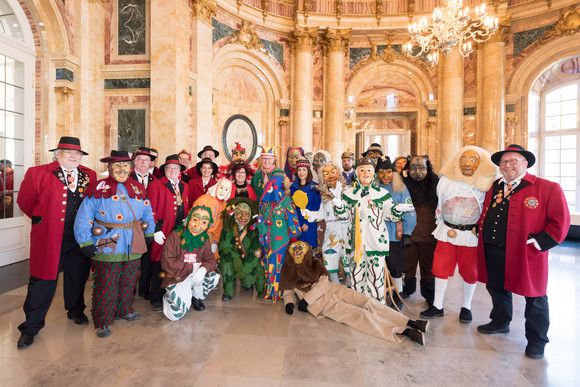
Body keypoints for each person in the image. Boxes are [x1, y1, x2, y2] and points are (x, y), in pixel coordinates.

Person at [476, 144, 570, 359]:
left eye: (513, 161)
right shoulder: (494, 186)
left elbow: (560, 221)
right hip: (493, 248)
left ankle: (537, 341)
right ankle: (500, 321)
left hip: (527, 253)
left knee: (534, 295)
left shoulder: (548, 187)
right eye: (503, 162)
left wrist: (540, 243)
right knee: (496, 287)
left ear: (525, 163)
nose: (507, 165)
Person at [15, 137, 97, 349]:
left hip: (79, 237)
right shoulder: (38, 173)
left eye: (77, 153)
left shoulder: (90, 175)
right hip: (49, 237)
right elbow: (24, 201)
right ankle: (30, 327)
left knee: (78, 276)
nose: (74, 156)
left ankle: (76, 310)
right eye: (68, 152)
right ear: (57, 154)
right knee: (42, 281)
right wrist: (43, 220)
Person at [280, 241, 429, 345]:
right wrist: (290, 304)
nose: (298, 253)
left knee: (368, 302)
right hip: (323, 304)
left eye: (301, 251)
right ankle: (404, 332)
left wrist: (306, 300)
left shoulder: (315, 263)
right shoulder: (289, 271)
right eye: (295, 252)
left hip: (335, 290)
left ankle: (411, 322)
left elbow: (324, 281)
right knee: (360, 315)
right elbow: (288, 291)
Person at [74, 150, 155, 338]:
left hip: (133, 241)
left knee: (129, 280)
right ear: (109, 167)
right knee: (106, 282)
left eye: (125, 165)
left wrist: (149, 231)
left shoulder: (137, 188)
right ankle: (103, 320)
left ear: (131, 168)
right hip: (107, 242)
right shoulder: (97, 188)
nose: (122, 169)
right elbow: (84, 216)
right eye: (117, 165)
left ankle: (124, 309)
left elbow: (148, 210)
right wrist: (85, 241)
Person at [420, 147, 496, 322]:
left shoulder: (486, 183)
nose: (467, 163)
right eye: (463, 159)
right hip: (447, 232)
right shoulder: (446, 180)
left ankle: (466, 306)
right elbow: (440, 202)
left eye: (472, 159)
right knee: (440, 268)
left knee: (470, 272)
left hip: (470, 234)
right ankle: (437, 305)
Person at [334, 157, 414, 302]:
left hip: (376, 243)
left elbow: (390, 215)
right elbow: (343, 214)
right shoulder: (348, 194)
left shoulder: (382, 195)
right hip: (354, 245)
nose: (365, 173)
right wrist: (338, 205)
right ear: (357, 173)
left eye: (369, 170)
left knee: (376, 277)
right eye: (362, 170)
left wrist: (397, 209)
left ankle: (376, 307)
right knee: (355, 276)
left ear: (373, 174)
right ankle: (358, 306)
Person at [147, 154, 191, 311]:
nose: (173, 170)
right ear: (165, 170)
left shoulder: (185, 186)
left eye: (176, 168)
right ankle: (155, 297)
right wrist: (156, 230)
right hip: (163, 230)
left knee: (177, 261)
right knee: (159, 263)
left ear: (180, 170)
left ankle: (172, 293)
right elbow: (150, 210)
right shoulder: (155, 185)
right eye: (170, 168)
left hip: (179, 232)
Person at [160, 206, 220, 319]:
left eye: (204, 222)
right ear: (188, 219)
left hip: (195, 276)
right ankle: (169, 296)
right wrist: (192, 268)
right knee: (175, 315)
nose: (197, 226)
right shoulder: (175, 236)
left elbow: (210, 259)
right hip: (178, 277)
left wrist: (203, 269)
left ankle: (196, 296)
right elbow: (167, 262)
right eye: (195, 220)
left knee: (213, 277)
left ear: (208, 225)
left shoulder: (205, 238)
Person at [376, 156, 417, 309]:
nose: (385, 176)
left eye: (388, 172)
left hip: (393, 234)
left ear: (393, 173)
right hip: (376, 234)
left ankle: (398, 294)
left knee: (395, 267)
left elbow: (410, 210)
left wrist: (407, 232)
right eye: (381, 172)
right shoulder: (373, 189)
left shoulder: (400, 188)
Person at [301, 161, 350, 284]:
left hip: (346, 231)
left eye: (333, 172)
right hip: (331, 232)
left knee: (349, 261)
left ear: (339, 174)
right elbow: (322, 214)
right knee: (329, 259)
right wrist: (307, 213)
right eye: (326, 174)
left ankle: (352, 287)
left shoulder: (349, 192)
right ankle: (336, 287)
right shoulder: (324, 196)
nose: (330, 176)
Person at [257, 171, 301, 301]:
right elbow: (261, 218)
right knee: (267, 264)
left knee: (275, 265)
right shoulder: (265, 202)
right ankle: (269, 288)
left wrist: (292, 236)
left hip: (280, 241)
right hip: (266, 239)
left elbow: (295, 226)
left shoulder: (287, 202)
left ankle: (274, 292)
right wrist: (261, 226)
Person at [402, 155, 439, 306]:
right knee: (407, 265)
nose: (418, 171)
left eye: (422, 168)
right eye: (414, 168)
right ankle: (407, 290)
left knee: (428, 266)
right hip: (408, 235)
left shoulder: (436, 183)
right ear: (408, 169)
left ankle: (430, 295)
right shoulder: (403, 185)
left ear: (427, 168)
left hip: (429, 235)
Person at [218, 197, 265, 301]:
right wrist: (236, 260)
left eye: (246, 214)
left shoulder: (253, 230)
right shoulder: (227, 228)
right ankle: (228, 291)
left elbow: (256, 250)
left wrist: (246, 266)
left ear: (250, 216)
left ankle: (246, 283)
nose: (243, 217)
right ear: (234, 213)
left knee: (250, 277)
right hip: (232, 259)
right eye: (239, 213)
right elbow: (224, 247)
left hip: (247, 259)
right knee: (226, 265)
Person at [130, 147, 158, 303]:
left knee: (147, 258)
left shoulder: (155, 180)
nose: (143, 162)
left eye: (146, 160)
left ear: (151, 163)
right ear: (134, 161)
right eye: (140, 159)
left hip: (148, 224)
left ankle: (144, 289)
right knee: (132, 258)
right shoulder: (127, 177)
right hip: (131, 224)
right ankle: (129, 289)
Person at [193, 179, 233, 261]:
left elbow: (220, 226)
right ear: (216, 187)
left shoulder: (225, 206)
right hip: (197, 237)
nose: (222, 191)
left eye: (226, 189)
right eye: (221, 187)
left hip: (211, 239)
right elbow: (192, 219)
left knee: (212, 261)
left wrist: (215, 241)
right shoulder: (204, 199)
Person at [289, 158, 321, 249]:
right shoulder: (293, 187)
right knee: (296, 252)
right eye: (299, 170)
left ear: (308, 171)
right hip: (296, 224)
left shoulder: (314, 187)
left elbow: (316, 207)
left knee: (308, 252)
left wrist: (308, 222)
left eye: (304, 170)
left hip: (309, 225)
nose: (301, 172)